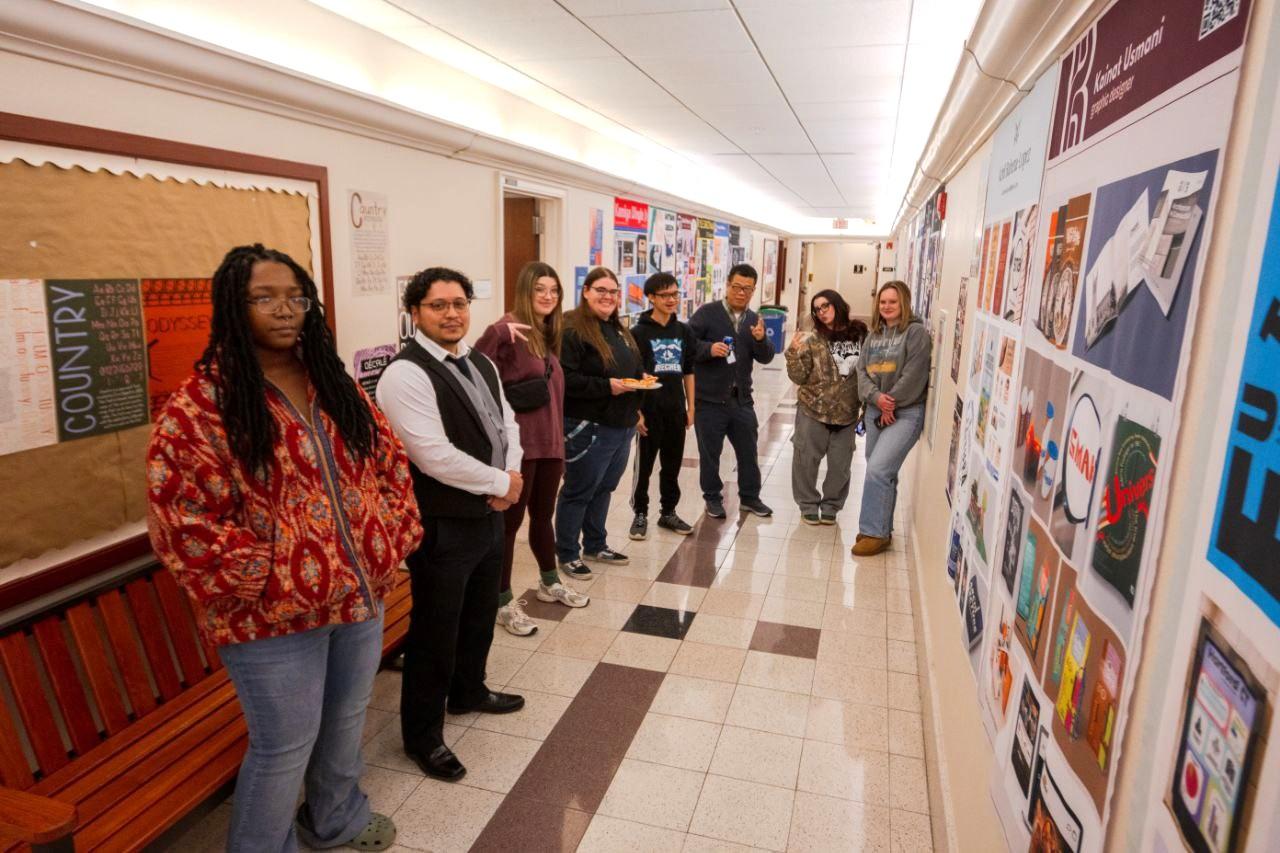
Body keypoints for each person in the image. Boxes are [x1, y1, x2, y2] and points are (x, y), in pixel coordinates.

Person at [147, 244, 421, 852]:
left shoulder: (332, 381)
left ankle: (336, 819)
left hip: (358, 598)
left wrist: (387, 538)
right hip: (271, 620)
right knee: (283, 748)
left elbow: (388, 463)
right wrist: (269, 576)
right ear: (231, 308)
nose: (283, 310)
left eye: (295, 297)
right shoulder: (201, 407)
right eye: (263, 298)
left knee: (346, 723)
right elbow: (181, 520)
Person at [377, 267, 525, 782]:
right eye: (438, 305)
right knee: (435, 630)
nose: (452, 313)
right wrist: (500, 483)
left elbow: (507, 422)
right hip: (442, 523)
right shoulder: (405, 373)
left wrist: (513, 473)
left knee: (481, 611)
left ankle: (469, 690)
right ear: (414, 312)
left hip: (487, 514)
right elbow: (431, 455)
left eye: (459, 303)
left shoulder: (479, 360)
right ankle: (423, 736)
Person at [475, 261, 589, 637]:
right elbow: (473, 372)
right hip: (518, 450)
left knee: (543, 517)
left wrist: (562, 445)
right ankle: (502, 600)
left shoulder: (547, 333)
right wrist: (496, 334)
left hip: (550, 446)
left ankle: (549, 580)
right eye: (540, 289)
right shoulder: (506, 330)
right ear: (525, 290)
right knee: (508, 527)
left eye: (554, 290)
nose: (547, 296)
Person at [555, 266, 647, 580]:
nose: (608, 297)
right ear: (586, 292)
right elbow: (565, 378)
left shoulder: (618, 327)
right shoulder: (572, 328)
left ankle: (595, 544)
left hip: (621, 425)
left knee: (604, 488)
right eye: (601, 290)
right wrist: (608, 386)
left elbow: (633, 367)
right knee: (579, 490)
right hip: (588, 426)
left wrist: (640, 385)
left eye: (612, 291)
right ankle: (567, 553)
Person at [689, 263, 775, 519]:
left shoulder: (753, 319)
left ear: (753, 290)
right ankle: (713, 498)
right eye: (736, 287)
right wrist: (708, 350)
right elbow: (688, 345)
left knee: (748, 452)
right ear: (727, 285)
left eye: (747, 289)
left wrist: (761, 339)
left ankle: (750, 497)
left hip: (741, 401)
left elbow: (767, 357)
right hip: (710, 401)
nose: (741, 293)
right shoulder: (707, 314)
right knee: (710, 454)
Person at [853, 280, 932, 556]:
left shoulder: (916, 333)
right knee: (882, 471)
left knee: (878, 469)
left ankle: (873, 531)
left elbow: (914, 375)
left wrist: (891, 402)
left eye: (892, 302)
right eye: (883, 302)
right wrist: (878, 399)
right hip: (877, 410)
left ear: (904, 304)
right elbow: (861, 371)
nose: (886, 306)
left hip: (906, 413)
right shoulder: (874, 334)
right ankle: (879, 529)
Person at [786, 289, 868, 525]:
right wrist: (793, 353)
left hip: (847, 412)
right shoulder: (812, 339)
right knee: (806, 459)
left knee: (840, 465)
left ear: (837, 305)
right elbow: (799, 377)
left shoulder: (860, 334)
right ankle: (808, 504)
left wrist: (866, 405)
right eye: (817, 309)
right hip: (813, 409)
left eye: (825, 306)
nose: (821, 312)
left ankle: (832, 505)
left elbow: (867, 370)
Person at [628, 271, 700, 539]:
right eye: (665, 295)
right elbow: (632, 376)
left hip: (675, 410)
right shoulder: (638, 333)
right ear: (651, 297)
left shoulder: (684, 331)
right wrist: (636, 412)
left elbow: (689, 370)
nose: (671, 300)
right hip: (648, 411)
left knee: (672, 465)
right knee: (644, 466)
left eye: (674, 294)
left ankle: (668, 512)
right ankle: (640, 513)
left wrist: (691, 407)